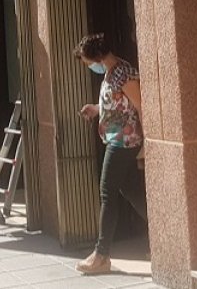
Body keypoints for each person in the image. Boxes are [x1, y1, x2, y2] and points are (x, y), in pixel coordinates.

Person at [75, 33, 147, 276]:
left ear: (97, 57)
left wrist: (146, 141)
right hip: (118, 138)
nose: (89, 67)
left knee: (107, 192)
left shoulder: (122, 73)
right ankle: (164, 233)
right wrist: (96, 109)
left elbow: (139, 104)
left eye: (87, 62)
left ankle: (101, 254)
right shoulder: (112, 72)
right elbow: (119, 103)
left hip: (124, 141)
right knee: (130, 190)